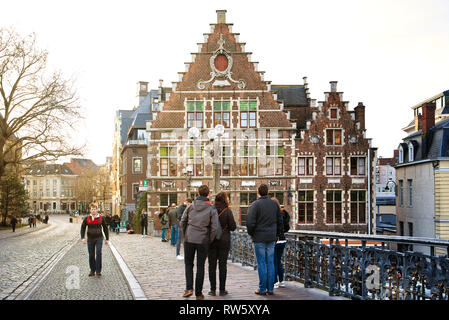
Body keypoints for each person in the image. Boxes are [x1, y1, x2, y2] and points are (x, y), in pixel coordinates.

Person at [181, 185, 218, 300]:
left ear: (198, 194)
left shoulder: (190, 206)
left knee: (188, 264)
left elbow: (183, 221)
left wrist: (185, 234)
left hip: (190, 238)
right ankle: (198, 293)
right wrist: (209, 239)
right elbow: (214, 228)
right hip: (203, 240)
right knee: (200, 266)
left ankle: (188, 288)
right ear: (208, 194)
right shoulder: (211, 209)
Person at [246, 184, 283, 296]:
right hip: (271, 238)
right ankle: (270, 289)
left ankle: (262, 288)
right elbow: (279, 221)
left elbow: (250, 223)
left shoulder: (255, 205)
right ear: (267, 192)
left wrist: (252, 234)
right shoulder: (274, 205)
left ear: (258, 192)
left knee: (262, 263)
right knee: (271, 262)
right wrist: (277, 234)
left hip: (259, 238)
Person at [208, 192, 236, 297]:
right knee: (222, 265)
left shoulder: (211, 210)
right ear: (225, 199)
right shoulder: (227, 211)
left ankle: (212, 290)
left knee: (212, 265)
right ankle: (222, 290)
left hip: (212, 241)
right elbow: (233, 226)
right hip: (224, 240)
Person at [80, 202, 109, 277]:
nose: (93, 210)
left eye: (95, 209)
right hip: (90, 239)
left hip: (99, 238)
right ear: (90, 210)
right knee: (91, 255)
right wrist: (82, 238)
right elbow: (83, 228)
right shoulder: (87, 218)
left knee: (98, 253)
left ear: (97, 210)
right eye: (92, 209)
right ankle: (92, 270)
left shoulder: (101, 218)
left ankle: (98, 271)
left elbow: (105, 228)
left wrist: (107, 239)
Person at [271, 199, 290, 289]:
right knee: (278, 261)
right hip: (282, 240)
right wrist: (282, 232)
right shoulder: (283, 213)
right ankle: (282, 281)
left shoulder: (273, 214)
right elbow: (287, 227)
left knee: (274, 261)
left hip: (275, 240)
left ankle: (275, 282)